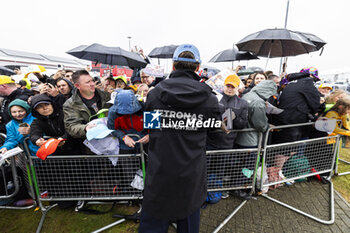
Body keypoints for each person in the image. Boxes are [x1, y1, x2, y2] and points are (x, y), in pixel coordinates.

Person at [139, 44, 221, 233]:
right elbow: (214, 130)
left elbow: (150, 127)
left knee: (155, 218)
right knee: (189, 215)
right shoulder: (209, 98)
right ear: (198, 68)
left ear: (174, 67)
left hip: (161, 167)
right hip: (191, 168)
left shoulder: (155, 94)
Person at [271, 67, 322, 143]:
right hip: (295, 120)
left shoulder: (289, 82)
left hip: (283, 118)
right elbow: (315, 103)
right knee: (290, 149)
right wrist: (316, 111)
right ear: (311, 76)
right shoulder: (307, 83)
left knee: (283, 147)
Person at [63, 70, 110, 140]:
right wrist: (85, 128)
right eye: (88, 82)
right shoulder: (70, 104)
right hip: (89, 142)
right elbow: (71, 126)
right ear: (77, 86)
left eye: (92, 81)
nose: (92, 84)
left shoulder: (106, 96)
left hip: (111, 137)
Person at [207, 74, 248, 150]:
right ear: (224, 86)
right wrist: (218, 122)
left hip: (228, 143)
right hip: (210, 141)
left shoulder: (242, 103)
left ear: (237, 87)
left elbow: (243, 124)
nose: (230, 89)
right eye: (228, 86)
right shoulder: (214, 98)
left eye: (232, 87)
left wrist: (235, 118)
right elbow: (206, 117)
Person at [235, 80, 277, 148]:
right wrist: (267, 126)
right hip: (250, 140)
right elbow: (260, 125)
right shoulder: (258, 102)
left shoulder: (247, 95)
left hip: (239, 138)